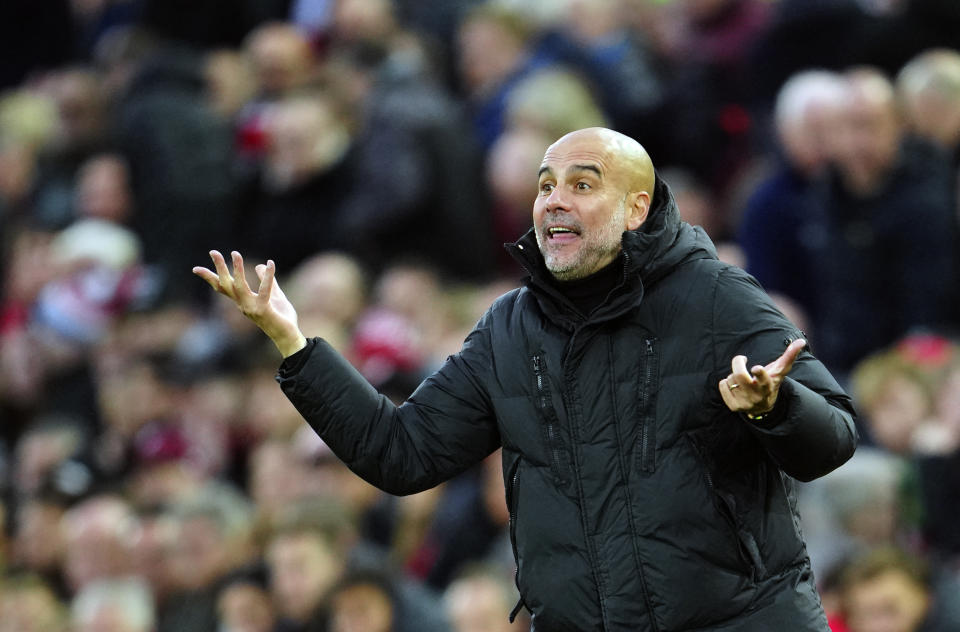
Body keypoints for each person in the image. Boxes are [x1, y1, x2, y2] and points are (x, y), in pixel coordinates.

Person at [195, 127, 858, 631]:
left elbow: (832, 438)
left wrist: (774, 405)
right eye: (545, 186)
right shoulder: (509, 327)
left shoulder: (716, 297)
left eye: (582, 184)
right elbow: (401, 454)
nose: (555, 202)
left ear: (636, 207)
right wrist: (293, 341)